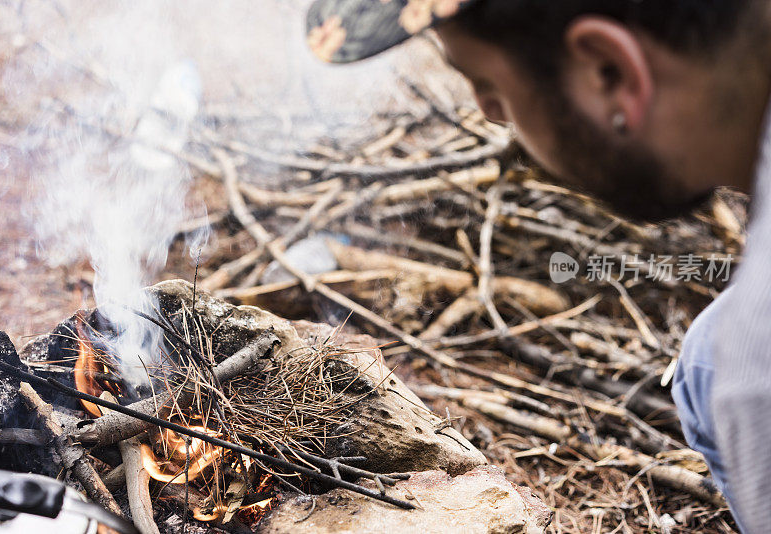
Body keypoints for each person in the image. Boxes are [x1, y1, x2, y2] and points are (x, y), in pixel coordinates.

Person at [306, 1, 771, 531]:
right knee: (701, 367)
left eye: (488, 85)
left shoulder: (757, 365)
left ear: (609, 72)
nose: (490, 112)